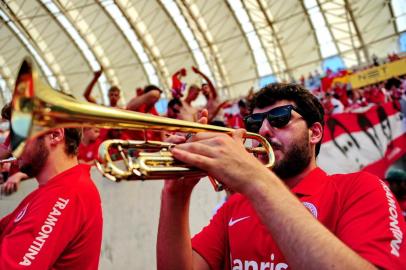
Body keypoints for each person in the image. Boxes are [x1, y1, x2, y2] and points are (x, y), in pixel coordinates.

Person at [157, 83, 406, 269]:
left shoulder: (360, 188)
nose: (264, 130)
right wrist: (175, 195)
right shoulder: (236, 205)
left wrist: (255, 180)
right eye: (255, 123)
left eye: (280, 118)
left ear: (315, 133)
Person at [0, 127, 103, 269]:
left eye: (18, 134)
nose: (11, 147)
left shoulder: (64, 193)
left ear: (55, 135)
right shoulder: (54, 189)